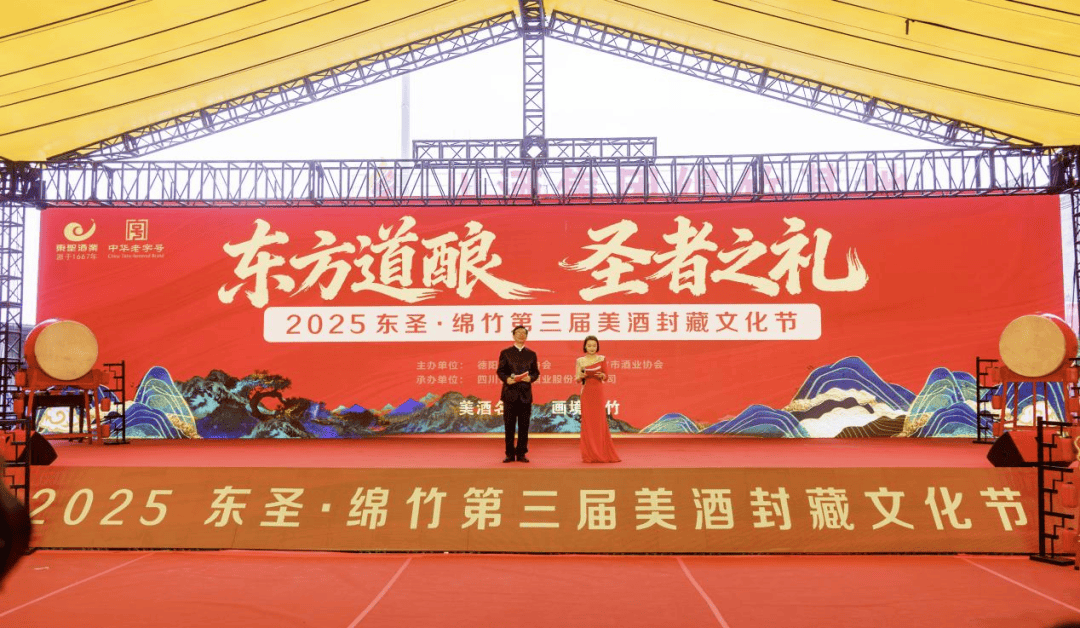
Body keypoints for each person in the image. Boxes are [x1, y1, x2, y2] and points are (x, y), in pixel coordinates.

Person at [497, 325, 540, 463]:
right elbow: (500, 371)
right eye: (518, 333)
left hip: (525, 394)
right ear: (513, 335)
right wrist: (506, 379)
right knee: (509, 426)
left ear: (526, 336)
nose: (521, 335)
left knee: (524, 426)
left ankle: (521, 453)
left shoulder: (531, 354)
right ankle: (509, 454)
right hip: (510, 393)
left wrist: (531, 378)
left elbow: (536, 372)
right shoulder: (506, 353)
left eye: (524, 333)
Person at [576, 335, 620, 463]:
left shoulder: (602, 359)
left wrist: (602, 375)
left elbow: (606, 376)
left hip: (598, 392)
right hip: (586, 393)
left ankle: (601, 452)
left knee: (599, 422)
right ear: (585, 346)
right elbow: (577, 379)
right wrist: (581, 376)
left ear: (597, 346)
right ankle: (589, 454)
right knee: (588, 423)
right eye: (589, 345)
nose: (591, 348)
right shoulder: (580, 361)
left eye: (594, 345)